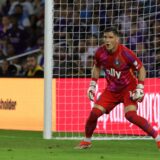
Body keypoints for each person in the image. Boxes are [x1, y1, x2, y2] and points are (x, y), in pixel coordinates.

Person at [75, 27, 160, 149]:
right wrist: (93, 84)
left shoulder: (125, 53)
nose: (107, 40)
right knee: (94, 113)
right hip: (111, 90)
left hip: (128, 89)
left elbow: (141, 69)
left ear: (117, 39)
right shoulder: (100, 52)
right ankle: (86, 141)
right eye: (105, 37)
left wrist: (140, 87)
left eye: (110, 37)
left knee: (130, 115)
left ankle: (158, 138)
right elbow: (97, 67)